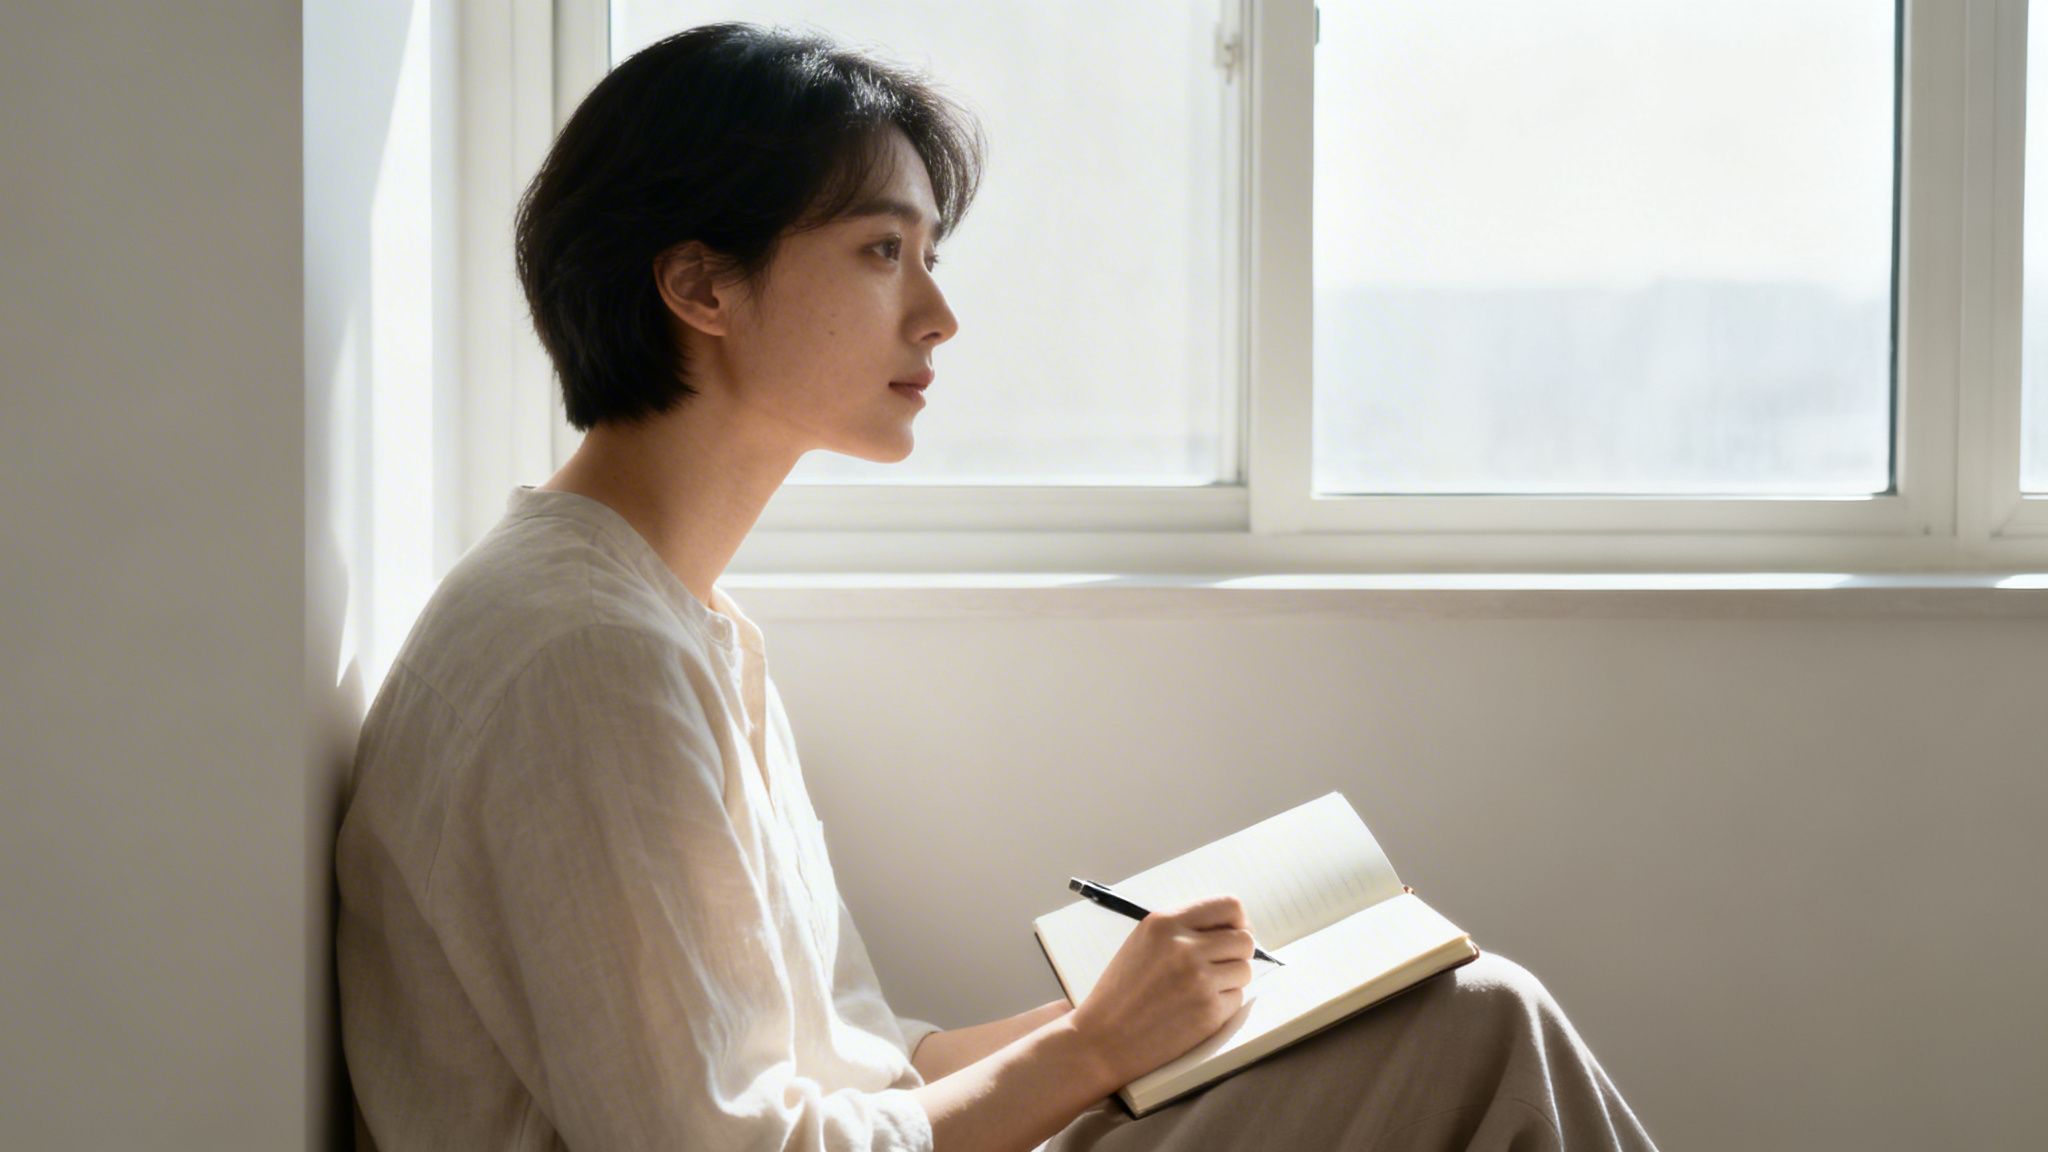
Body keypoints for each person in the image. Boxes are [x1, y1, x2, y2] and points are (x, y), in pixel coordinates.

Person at [334, 22, 1660, 1152]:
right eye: (882, 251)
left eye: (930, 255)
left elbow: (870, 1061)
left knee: (1441, 1010)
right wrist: (1093, 1049)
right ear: (701, 286)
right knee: (1482, 1028)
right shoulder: (584, 656)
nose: (937, 315)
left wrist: (1156, 1010)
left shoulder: (678, 621)